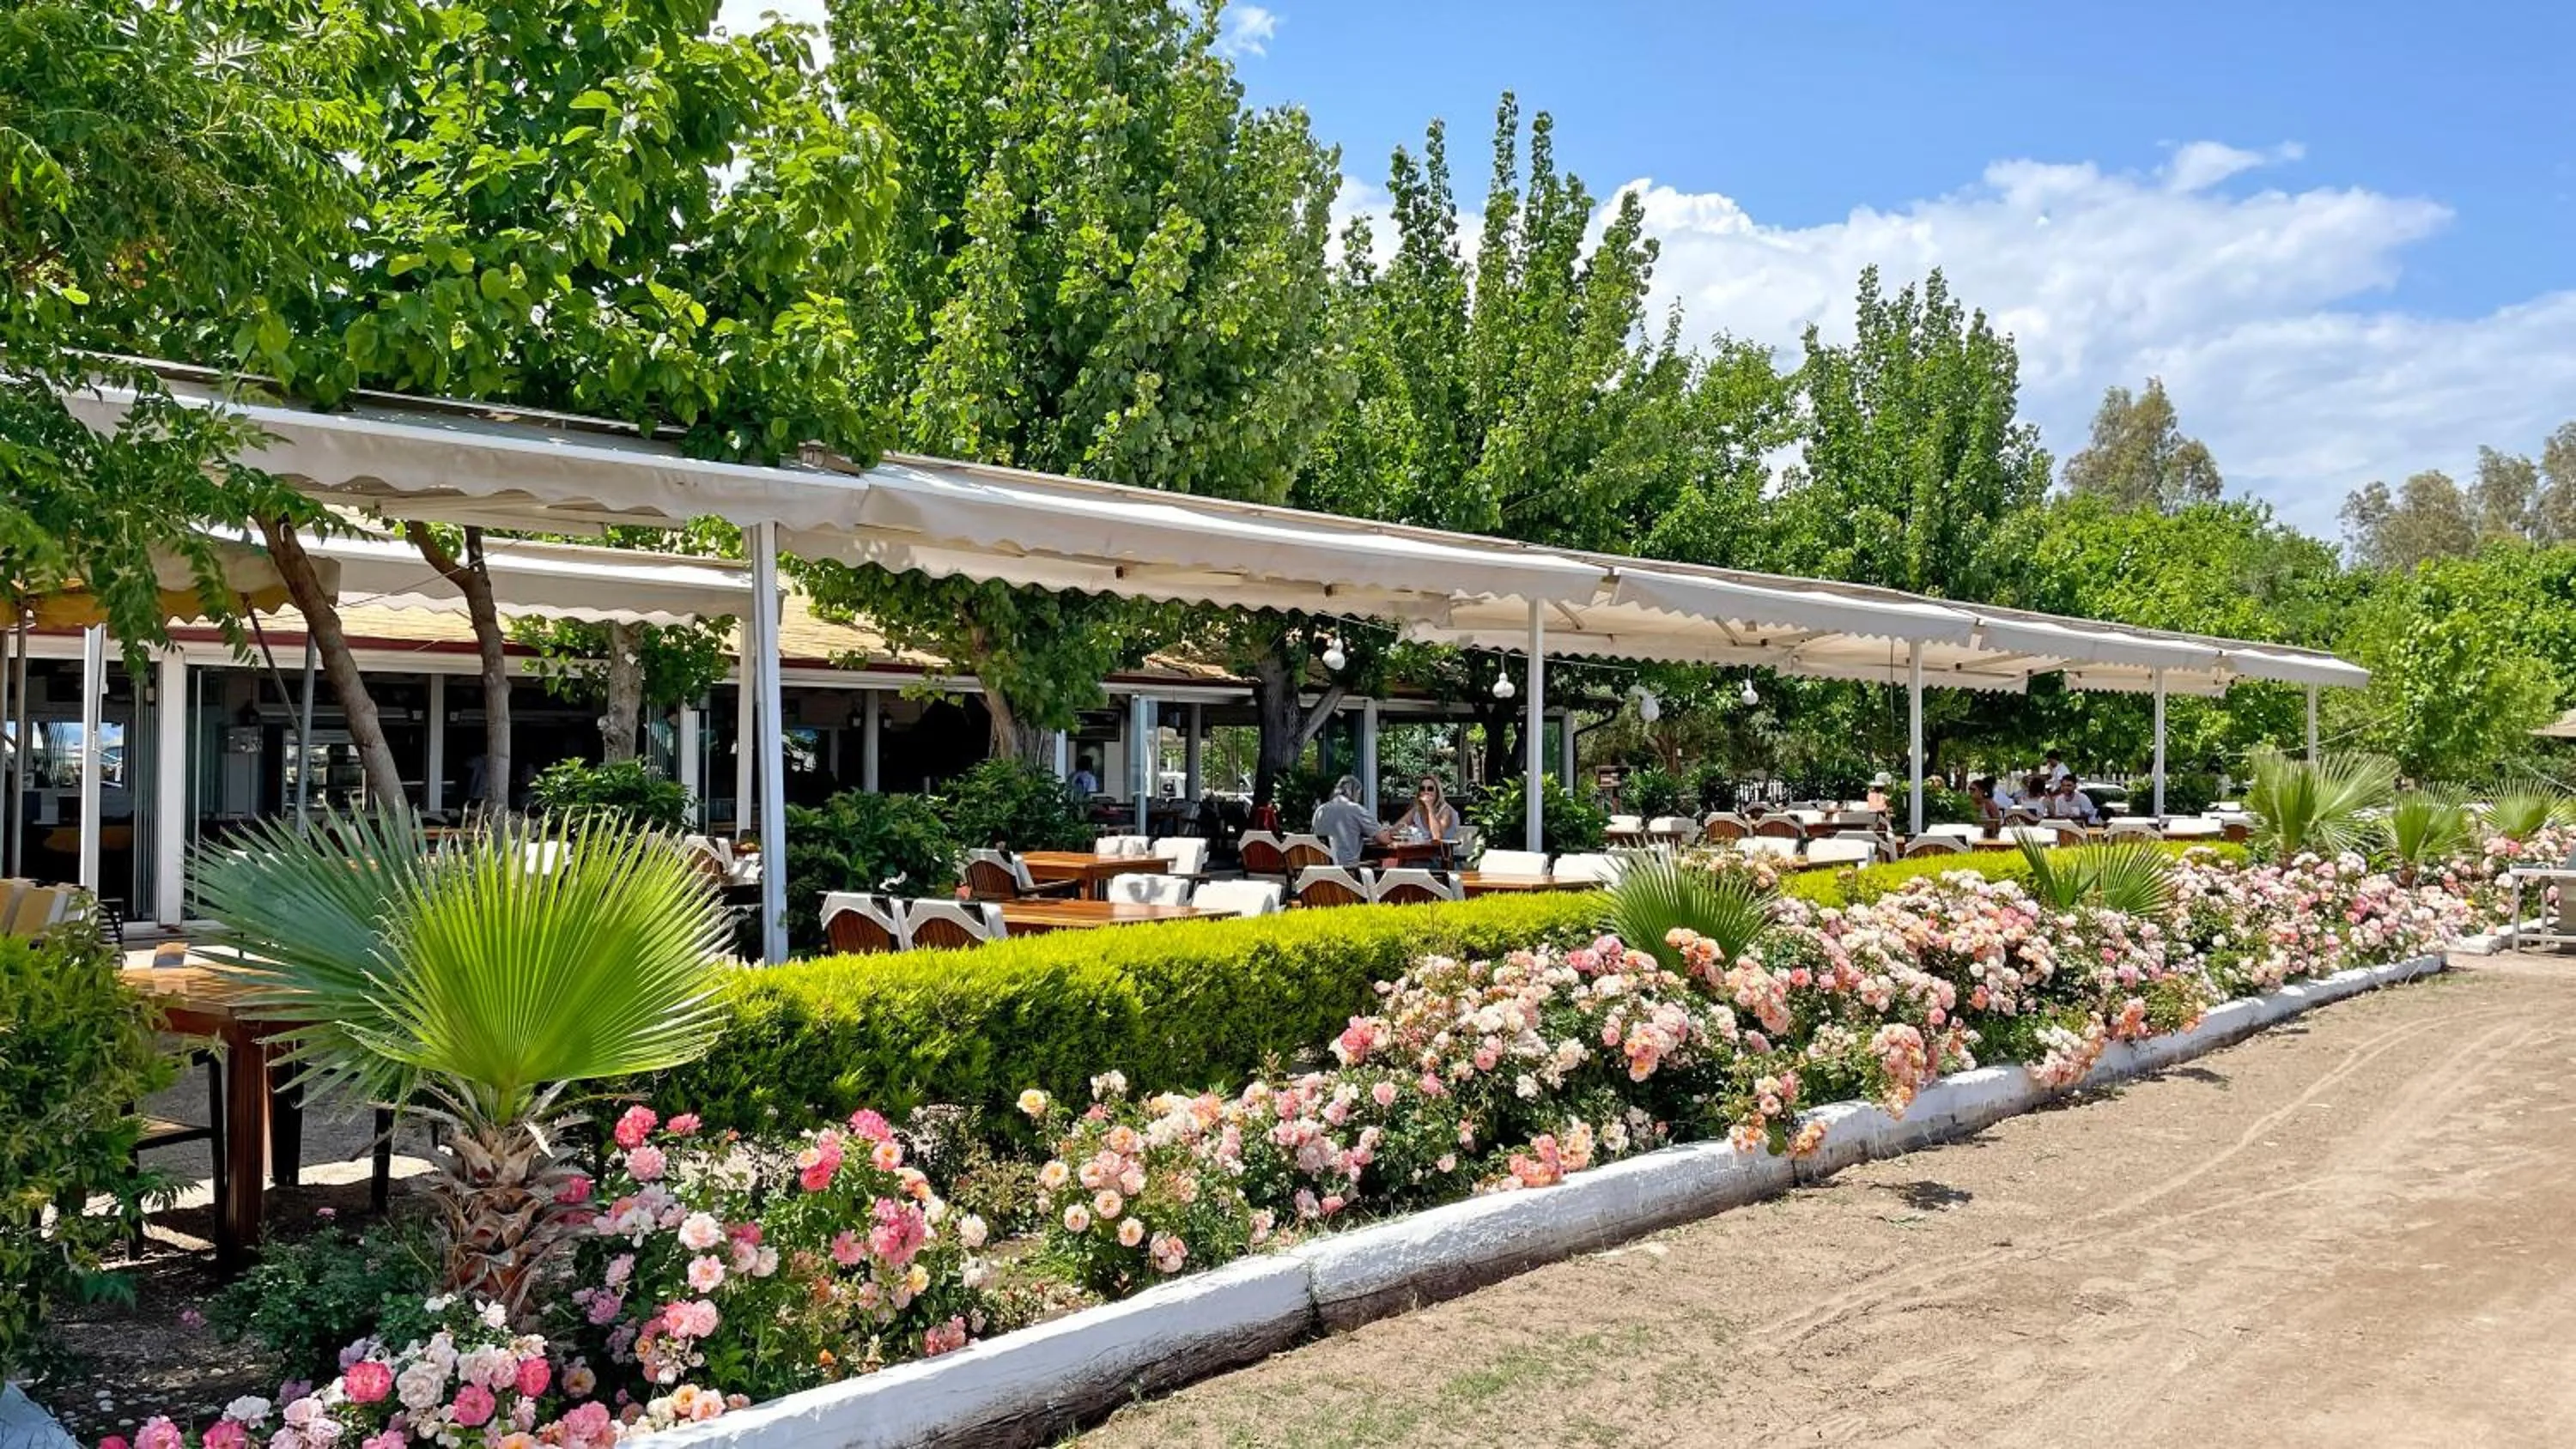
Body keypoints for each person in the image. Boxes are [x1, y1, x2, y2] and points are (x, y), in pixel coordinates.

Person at [1310, 774, 1388, 866]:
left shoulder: (1320, 810)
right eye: (1359, 794)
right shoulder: (1355, 809)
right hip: (1347, 870)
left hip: (1320, 869)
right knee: (1380, 865)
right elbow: (1383, 839)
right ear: (1355, 792)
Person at [1392, 776, 1460, 845]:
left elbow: (1437, 837)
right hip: (1421, 851)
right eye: (1422, 789)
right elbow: (1397, 827)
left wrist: (1429, 807)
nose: (1426, 792)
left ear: (1437, 792)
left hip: (1443, 853)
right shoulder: (1417, 810)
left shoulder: (1445, 811)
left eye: (1430, 789)